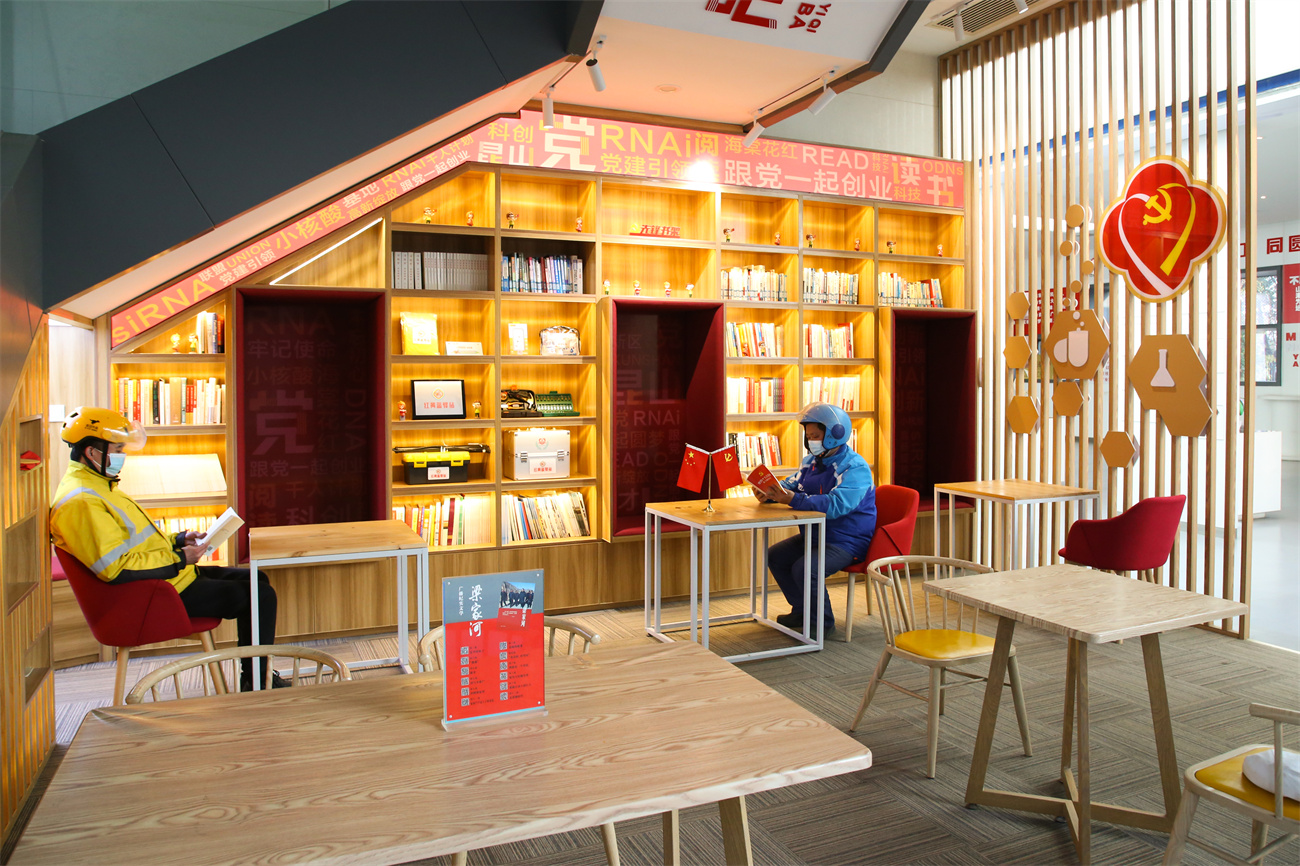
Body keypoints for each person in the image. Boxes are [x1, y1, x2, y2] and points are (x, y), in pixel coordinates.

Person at [49, 407, 285, 690]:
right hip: (153, 595)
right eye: (118, 449)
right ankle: (258, 682)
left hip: (166, 581)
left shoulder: (99, 486)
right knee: (260, 596)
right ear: (91, 452)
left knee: (258, 580)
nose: (122, 456)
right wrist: (180, 558)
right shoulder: (81, 502)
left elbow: (134, 541)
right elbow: (115, 567)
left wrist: (178, 539)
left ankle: (255, 677)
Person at [750, 402, 877, 635]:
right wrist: (770, 493)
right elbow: (791, 485)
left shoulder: (855, 467)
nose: (811, 442)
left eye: (815, 436)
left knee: (806, 569)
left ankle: (822, 625)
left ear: (834, 434)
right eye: (808, 437)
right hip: (817, 535)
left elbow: (836, 505)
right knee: (775, 556)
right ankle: (802, 611)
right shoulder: (811, 462)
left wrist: (792, 499)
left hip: (847, 541)